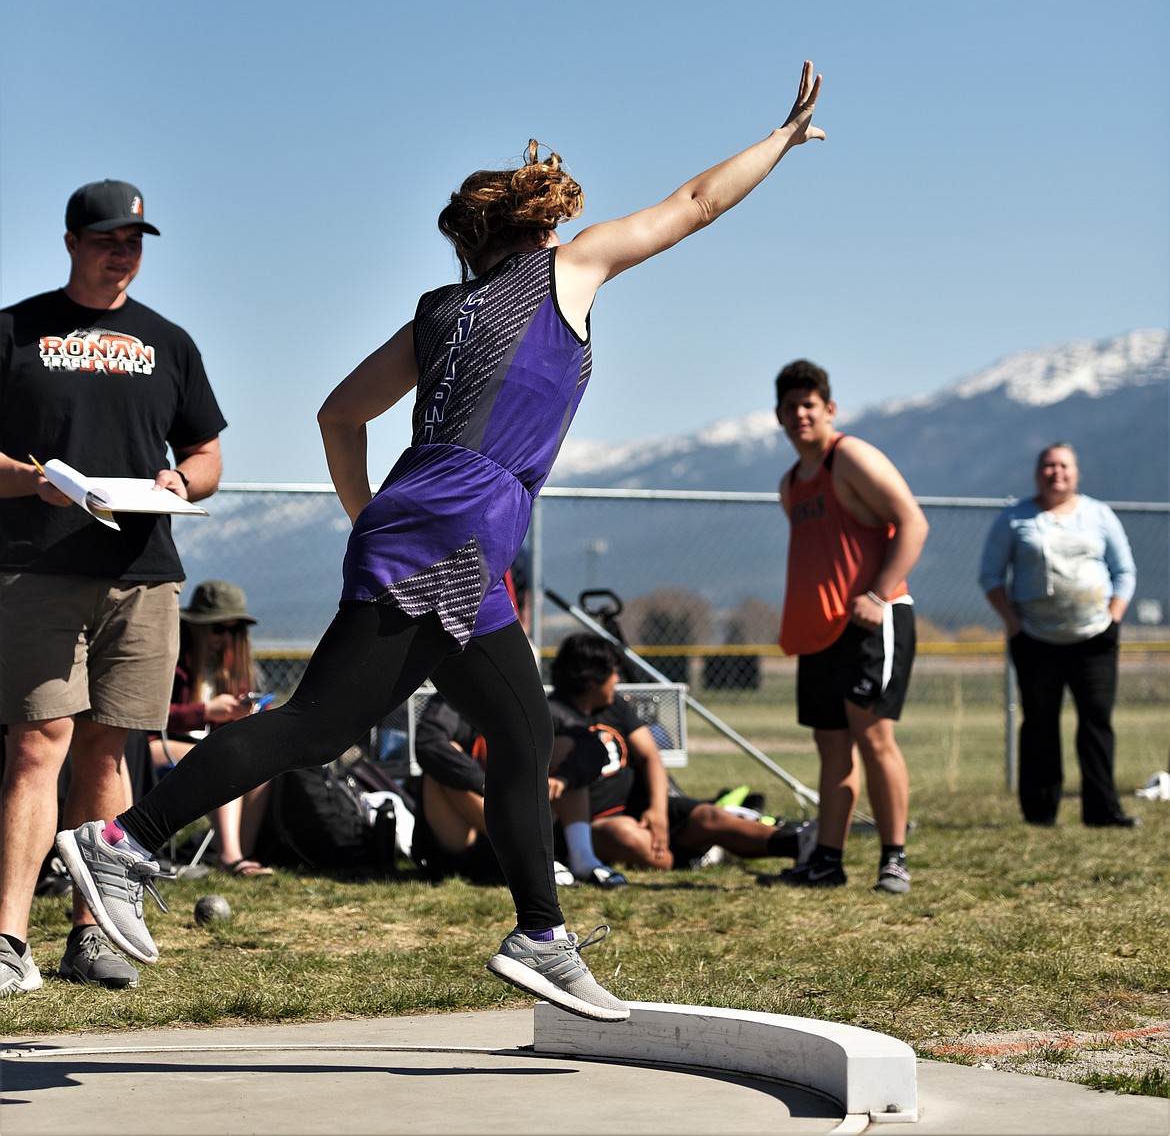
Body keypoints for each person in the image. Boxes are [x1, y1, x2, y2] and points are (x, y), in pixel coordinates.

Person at [56, 61, 825, 1022]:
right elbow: (698, 202)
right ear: (541, 228)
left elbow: (340, 414)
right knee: (319, 726)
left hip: (448, 536)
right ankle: (121, 842)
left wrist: (370, 519)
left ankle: (541, 936)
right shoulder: (570, 270)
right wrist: (781, 142)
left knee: (526, 729)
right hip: (452, 529)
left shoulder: (438, 313)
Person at [0, 180, 226, 996]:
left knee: (110, 746)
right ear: (71, 242)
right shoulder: (14, 331)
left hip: (142, 576)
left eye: (134, 239)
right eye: (106, 239)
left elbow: (207, 453)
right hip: (37, 569)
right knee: (36, 744)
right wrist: (34, 484)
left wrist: (182, 483)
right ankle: (6, 940)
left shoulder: (169, 341)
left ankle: (90, 936)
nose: (122, 251)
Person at [772, 359, 928, 894]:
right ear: (779, 416)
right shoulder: (791, 484)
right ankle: (827, 860)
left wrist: (877, 594)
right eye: (790, 407)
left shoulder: (851, 457)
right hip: (822, 632)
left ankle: (894, 858)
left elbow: (913, 522)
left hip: (872, 621)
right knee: (831, 746)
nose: (799, 415)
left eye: (808, 405)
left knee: (875, 739)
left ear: (829, 409)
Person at [546, 634, 818, 872]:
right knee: (627, 836)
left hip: (643, 807)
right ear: (593, 679)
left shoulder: (614, 706)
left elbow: (650, 756)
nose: (617, 680)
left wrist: (658, 810)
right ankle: (697, 856)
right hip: (597, 821)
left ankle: (800, 845)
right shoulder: (554, 715)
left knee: (710, 817)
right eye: (613, 673)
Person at [978, 442, 1138, 828]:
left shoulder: (1099, 514)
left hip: (1095, 639)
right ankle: (1040, 813)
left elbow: (1124, 572)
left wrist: (1113, 619)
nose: (1056, 472)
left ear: (1077, 473)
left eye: (1064, 465)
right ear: (1037, 473)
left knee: (1096, 722)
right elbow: (991, 576)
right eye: (1048, 465)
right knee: (1039, 724)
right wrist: (1015, 625)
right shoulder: (1015, 518)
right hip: (1035, 640)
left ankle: (1102, 811)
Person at [411, 691, 627, 888]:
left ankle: (582, 857)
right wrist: (482, 784)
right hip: (463, 836)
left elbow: (591, 747)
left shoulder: (531, 701)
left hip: (526, 820)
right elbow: (429, 744)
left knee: (564, 747)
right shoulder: (451, 701)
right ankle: (532, 858)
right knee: (446, 759)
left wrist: (564, 779)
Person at [153, 580, 275, 876]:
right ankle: (230, 857)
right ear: (197, 626)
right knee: (220, 759)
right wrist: (205, 711)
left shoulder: (233, 668)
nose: (225, 638)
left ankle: (241, 856)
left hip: (205, 746)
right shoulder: (170, 659)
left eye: (234, 630)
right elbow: (151, 714)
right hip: (157, 744)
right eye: (218, 628)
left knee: (263, 768)